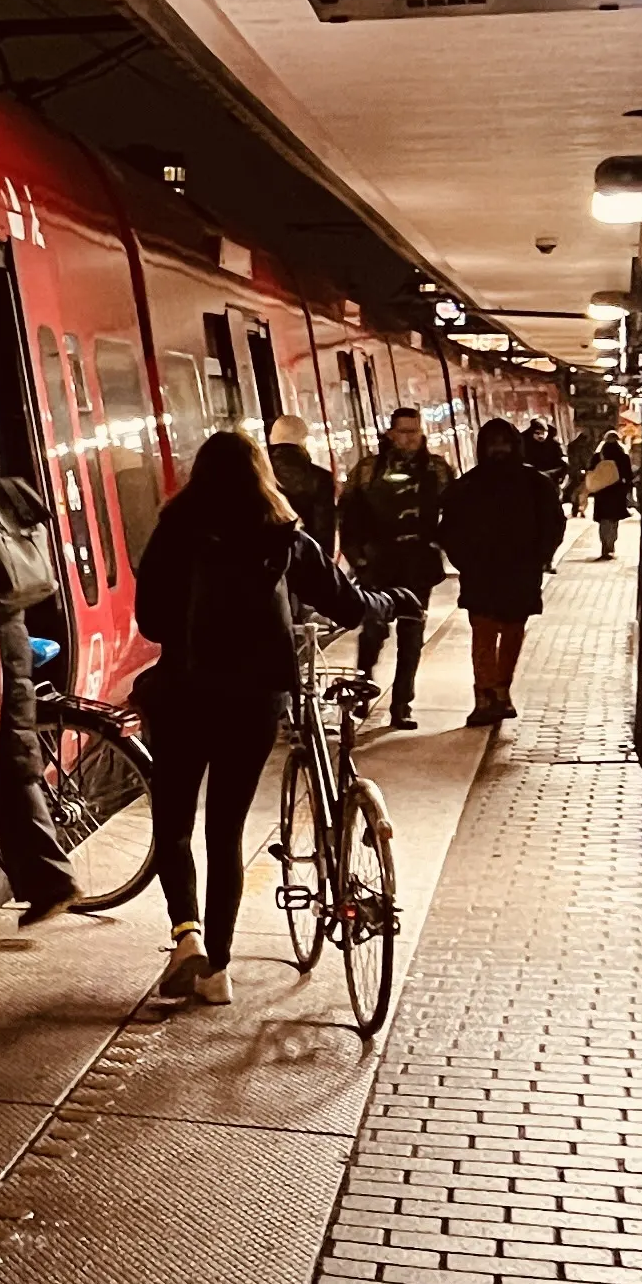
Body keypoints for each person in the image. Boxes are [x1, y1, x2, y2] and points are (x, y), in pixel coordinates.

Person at [130, 429, 407, 1006]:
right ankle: (217, 971)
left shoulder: (173, 531)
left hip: (183, 694)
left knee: (174, 824)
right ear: (262, 474)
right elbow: (346, 604)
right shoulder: (283, 536)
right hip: (254, 700)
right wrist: (390, 600)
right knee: (224, 829)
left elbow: (151, 622)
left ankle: (187, 936)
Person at [0, 431, 80, 920]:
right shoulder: (7, 497)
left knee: (10, 764)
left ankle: (52, 881)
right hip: (10, 633)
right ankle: (48, 879)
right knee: (13, 754)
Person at [440, 415, 566, 726]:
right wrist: (465, 561)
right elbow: (449, 531)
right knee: (485, 635)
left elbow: (554, 525)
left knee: (511, 634)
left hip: (518, 573)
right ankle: (486, 695)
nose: (499, 449)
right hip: (483, 574)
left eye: (504, 443)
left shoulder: (536, 484)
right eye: (493, 444)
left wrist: (539, 558)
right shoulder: (467, 486)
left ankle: (500, 690)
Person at [335, 407, 452, 730]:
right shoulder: (367, 470)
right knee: (373, 630)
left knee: (412, 637)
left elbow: (454, 510)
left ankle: (402, 703)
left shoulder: (437, 470)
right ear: (391, 434)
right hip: (377, 563)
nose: (410, 438)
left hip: (418, 565)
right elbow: (348, 515)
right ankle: (362, 688)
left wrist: (440, 544)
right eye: (404, 432)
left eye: (415, 431)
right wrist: (357, 558)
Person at [263, 414, 337, 548]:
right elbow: (324, 531)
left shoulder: (261, 476)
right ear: (304, 440)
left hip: (272, 554)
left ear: (272, 439)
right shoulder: (321, 478)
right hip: (307, 553)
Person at [573, 413, 639, 559]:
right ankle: (611, 546)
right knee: (613, 522)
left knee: (603, 522)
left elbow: (591, 470)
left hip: (601, 494)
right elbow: (628, 476)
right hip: (617, 493)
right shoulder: (623, 456)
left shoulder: (598, 456)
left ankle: (604, 546)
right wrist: (627, 490)